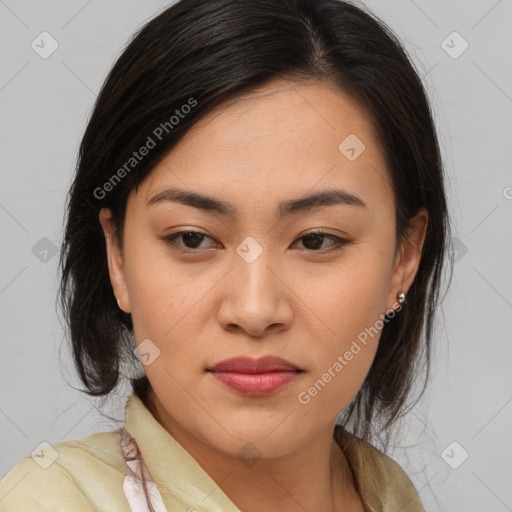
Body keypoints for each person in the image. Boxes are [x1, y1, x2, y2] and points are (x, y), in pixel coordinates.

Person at [0, 0, 453, 510]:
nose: (255, 310)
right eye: (192, 238)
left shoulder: (391, 496)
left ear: (404, 259)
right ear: (118, 258)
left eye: (316, 240)